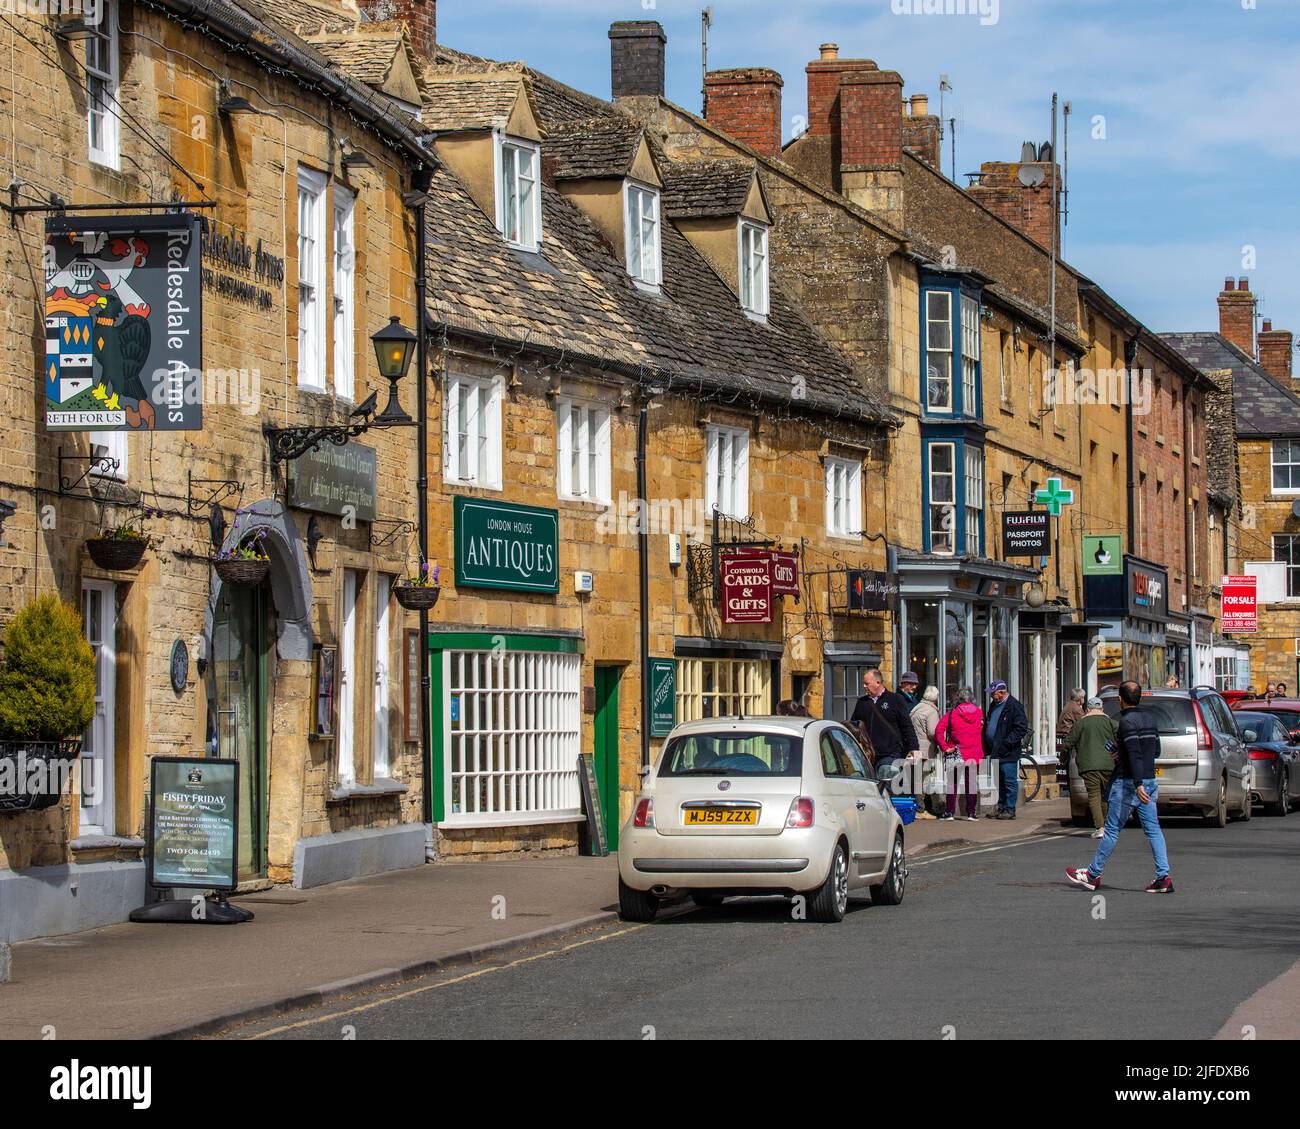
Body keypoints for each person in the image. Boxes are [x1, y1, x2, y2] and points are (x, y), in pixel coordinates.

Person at [1067, 680, 1173, 894]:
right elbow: (1155, 751)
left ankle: (1092, 874)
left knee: (1112, 830)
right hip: (1150, 781)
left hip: (1129, 784)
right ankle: (1163, 877)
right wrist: (1123, 755)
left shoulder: (1126, 722)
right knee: (1153, 830)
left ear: (1120, 699)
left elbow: (1134, 752)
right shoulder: (1150, 719)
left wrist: (1137, 783)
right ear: (1140, 697)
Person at [1061, 697, 1118, 838]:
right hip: (1108, 764)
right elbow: (1120, 741)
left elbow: (1068, 743)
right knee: (1105, 796)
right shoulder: (1111, 723)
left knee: (1094, 796)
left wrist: (1063, 758)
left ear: (1087, 710)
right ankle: (1106, 825)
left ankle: (1100, 827)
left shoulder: (1081, 724)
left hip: (1088, 765)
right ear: (1102, 709)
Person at [850, 669, 919, 777]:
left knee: (885, 788)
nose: (864, 686)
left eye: (866, 683)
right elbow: (854, 726)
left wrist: (913, 748)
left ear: (877, 683)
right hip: (867, 756)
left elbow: (907, 726)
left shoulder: (895, 699)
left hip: (890, 754)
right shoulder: (862, 702)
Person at [982, 679, 1029, 820]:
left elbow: (1021, 728)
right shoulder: (994, 705)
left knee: (1009, 781)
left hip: (1008, 751)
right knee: (999, 781)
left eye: (993, 693)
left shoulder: (1014, 706)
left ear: (1001, 693)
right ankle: (1001, 807)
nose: (991, 696)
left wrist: (1006, 743)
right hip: (995, 750)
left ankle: (1009, 809)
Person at [937, 687, 984, 821]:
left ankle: (950, 812)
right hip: (973, 753)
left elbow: (939, 730)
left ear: (959, 699)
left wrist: (944, 747)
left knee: (952, 783)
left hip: (956, 752)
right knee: (972, 783)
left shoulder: (952, 714)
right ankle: (971, 813)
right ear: (972, 699)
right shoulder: (979, 713)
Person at [909, 686, 942, 818]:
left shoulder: (917, 708)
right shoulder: (931, 711)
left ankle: (919, 808)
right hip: (925, 749)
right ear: (935, 698)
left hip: (914, 748)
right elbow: (932, 732)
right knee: (923, 780)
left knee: (917, 779)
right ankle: (921, 810)